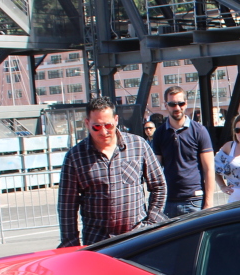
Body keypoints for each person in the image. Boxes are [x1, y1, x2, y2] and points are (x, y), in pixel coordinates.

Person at [58, 97, 166, 247]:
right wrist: (71, 243)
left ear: (116, 120)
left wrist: (152, 223)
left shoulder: (138, 145)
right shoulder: (75, 157)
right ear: (87, 123)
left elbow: (159, 186)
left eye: (108, 125)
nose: (103, 131)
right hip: (98, 242)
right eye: (96, 126)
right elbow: (67, 206)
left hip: (137, 237)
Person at [150, 85, 215, 216]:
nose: (177, 108)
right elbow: (155, 170)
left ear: (186, 104)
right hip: (168, 200)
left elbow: (209, 169)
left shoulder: (199, 131)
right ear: (166, 105)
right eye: (172, 104)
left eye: (181, 103)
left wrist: (208, 204)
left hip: (195, 200)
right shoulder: (160, 133)